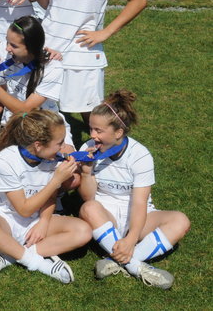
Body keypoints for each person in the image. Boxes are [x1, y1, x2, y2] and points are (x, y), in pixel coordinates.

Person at [78, 90, 190, 289]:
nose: (92, 135)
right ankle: (137, 267)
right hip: (105, 216)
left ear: (118, 133)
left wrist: (131, 238)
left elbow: (139, 202)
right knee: (88, 208)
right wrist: (86, 173)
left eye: (98, 131)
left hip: (137, 216)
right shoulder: (88, 148)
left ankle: (117, 261)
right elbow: (88, 197)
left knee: (180, 221)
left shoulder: (140, 155)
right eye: (91, 129)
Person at [0, 110, 92, 283]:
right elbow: (24, 209)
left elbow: (50, 198)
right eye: (59, 143)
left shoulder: (53, 158)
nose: (63, 147)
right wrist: (56, 180)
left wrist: (44, 222)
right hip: (6, 219)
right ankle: (38, 263)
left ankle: (11, 254)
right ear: (38, 145)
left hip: (36, 220)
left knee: (84, 231)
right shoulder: (7, 159)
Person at [0, 16, 75, 151]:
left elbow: (26, 110)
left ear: (31, 47)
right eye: (7, 41)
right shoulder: (5, 53)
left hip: (47, 124)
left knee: (69, 158)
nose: (7, 48)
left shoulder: (52, 67)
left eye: (14, 45)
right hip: (14, 125)